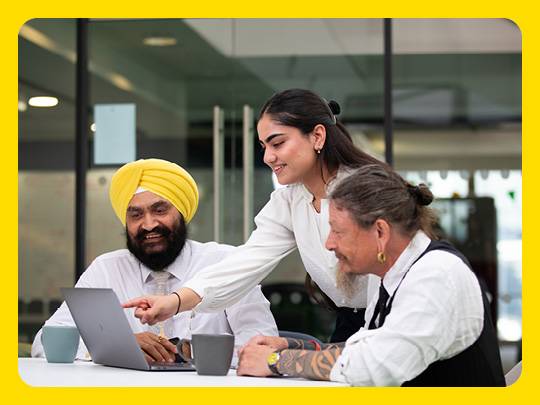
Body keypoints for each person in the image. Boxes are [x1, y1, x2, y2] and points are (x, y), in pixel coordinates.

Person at [123, 89, 389, 342]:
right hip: (350, 323)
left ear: (317, 136)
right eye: (263, 146)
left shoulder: (369, 190)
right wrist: (175, 301)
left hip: (398, 318)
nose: (268, 157)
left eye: (278, 143)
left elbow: (395, 273)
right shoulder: (289, 200)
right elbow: (247, 262)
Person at [236, 164, 505, 386]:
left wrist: (275, 361)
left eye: (337, 231)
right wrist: (290, 347)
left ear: (380, 233)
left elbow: (375, 366)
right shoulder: (388, 275)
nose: (329, 244)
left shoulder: (436, 276)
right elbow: (363, 350)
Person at [31, 158, 278, 367]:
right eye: (136, 215)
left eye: (160, 211)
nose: (148, 224)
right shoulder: (106, 269)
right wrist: (120, 348)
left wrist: (184, 353)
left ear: (182, 214)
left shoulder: (225, 263)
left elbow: (264, 346)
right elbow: (45, 342)